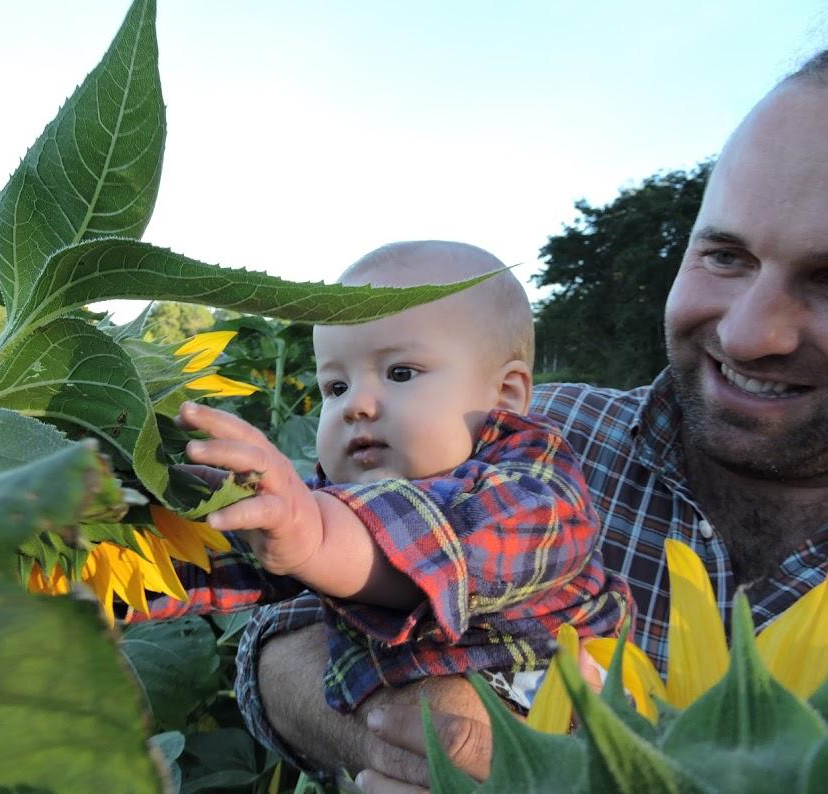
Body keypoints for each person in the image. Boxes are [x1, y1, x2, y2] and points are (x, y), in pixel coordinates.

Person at [232, 48, 828, 790]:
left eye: (825, 280)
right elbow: (272, 636)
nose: (746, 334)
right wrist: (396, 726)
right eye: (726, 256)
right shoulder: (522, 440)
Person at [134, 240, 631, 716]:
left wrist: (317, 534)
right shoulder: (331, 506)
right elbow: (231, 554)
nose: (356, 405)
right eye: (335, 385)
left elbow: (462, 539)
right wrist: (120, 551)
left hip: (567, 744)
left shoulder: (538, 486)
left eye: (399, 373)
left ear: (504, 395)